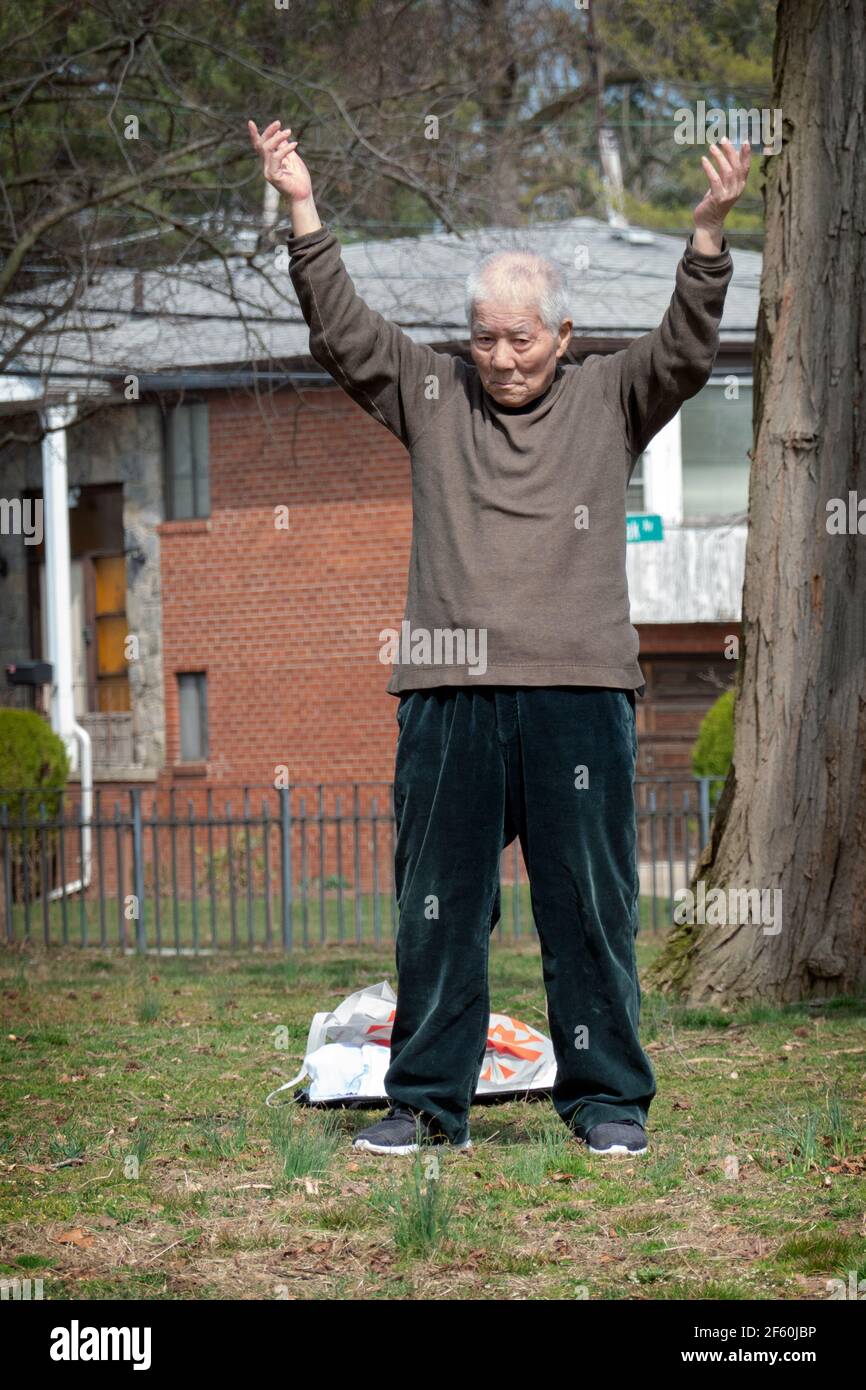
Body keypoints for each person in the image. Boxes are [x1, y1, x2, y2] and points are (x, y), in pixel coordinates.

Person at [248, 117, 750, 1158]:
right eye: (484, 335)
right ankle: (426, 1102)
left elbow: (688, 351)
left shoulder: (610, 395)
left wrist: (703, 236)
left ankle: (606, 1100)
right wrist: (301, 207)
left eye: (521, 336)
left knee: (587, 913)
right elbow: (343, 330)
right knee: (436, 916)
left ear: (563, 337)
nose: (501, 356)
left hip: (575, 693)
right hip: (446, 699)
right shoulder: (432, 395)